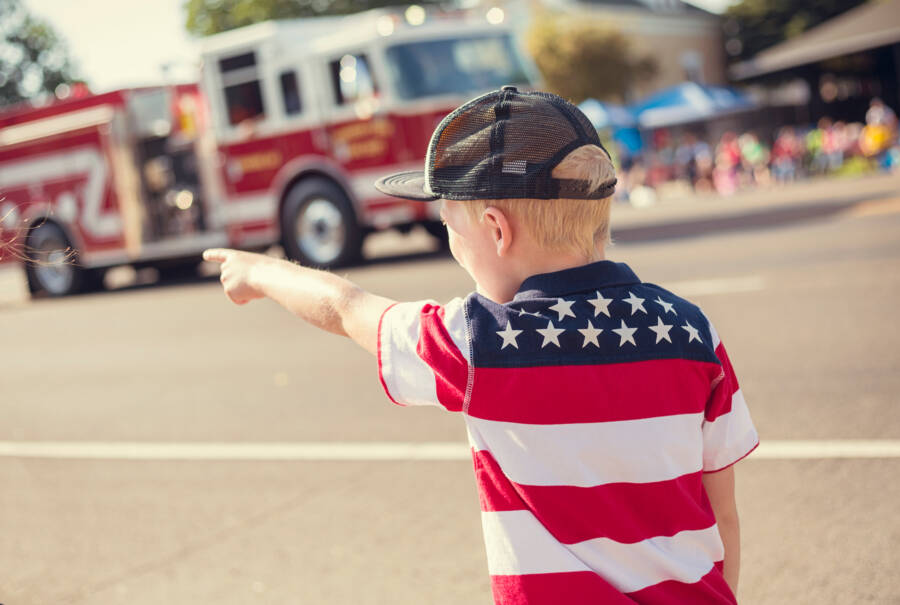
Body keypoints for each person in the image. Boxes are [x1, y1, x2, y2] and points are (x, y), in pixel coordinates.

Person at [203, 87, 759, 604]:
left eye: (448, 222)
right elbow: (724, 513)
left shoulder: (477, 343)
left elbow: (347, 308)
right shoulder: (693, 332)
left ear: (496, 230)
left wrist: (261, 273)